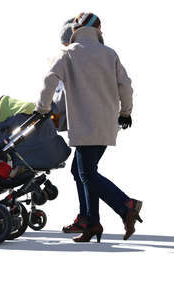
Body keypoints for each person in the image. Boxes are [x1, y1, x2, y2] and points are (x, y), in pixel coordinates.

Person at [35, 12, 143, 242]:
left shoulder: (69, 54)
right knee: (81, 171)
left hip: (85, 124)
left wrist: (42, 109)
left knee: (87, 174)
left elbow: (49, 80)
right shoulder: (110, 54)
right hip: (107, 125)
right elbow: (126, 86)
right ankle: (91, 221)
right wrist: (126, 112)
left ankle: (126, 205)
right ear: (97, 31)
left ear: (75, 30)